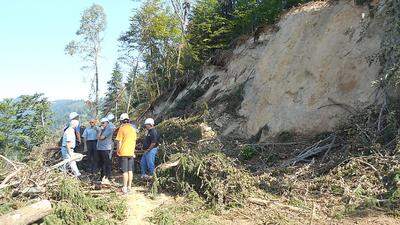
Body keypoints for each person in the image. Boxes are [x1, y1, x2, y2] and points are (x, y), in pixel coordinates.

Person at [115, 113, 137, 194]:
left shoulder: (122, 129)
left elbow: (119, 141)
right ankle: (129, 187)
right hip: (131, 152)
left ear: (121, 121)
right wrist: (133, 151)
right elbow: (134, 142)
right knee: (130, 170)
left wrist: (118, 150)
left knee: (125, 171)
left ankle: (124, 187)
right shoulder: (133, 129)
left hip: (123, 152)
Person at [97, 117, 114, 184]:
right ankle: (102, 176)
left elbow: (101, 137)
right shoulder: (103, 128)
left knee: (106, 163)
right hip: (101, 148)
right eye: (101, 123)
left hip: (106, 148)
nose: (102, 124)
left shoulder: (108, 128)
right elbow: (97, 137)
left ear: (107, 122)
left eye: (103, 123)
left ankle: (107, 176)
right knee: (102, 163)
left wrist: (100, 131)